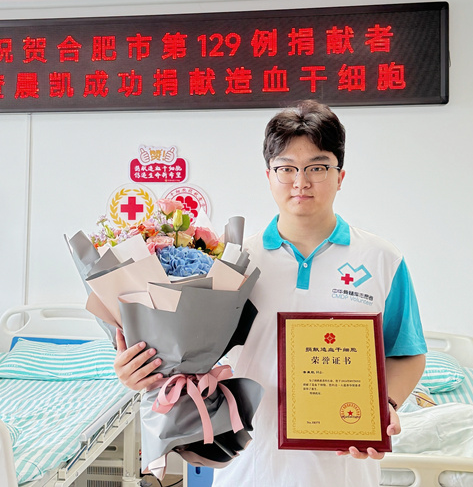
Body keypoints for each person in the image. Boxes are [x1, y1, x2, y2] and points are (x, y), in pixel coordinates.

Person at [114, 99, 427, 486]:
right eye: (286, 168)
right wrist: (145, 372)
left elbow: (406, 352)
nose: (301, 182)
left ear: (340, 176)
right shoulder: (232, 262)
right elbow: (189, 361)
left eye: (317, 167)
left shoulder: (381, 259)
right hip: (250, 468)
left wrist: (386, 405)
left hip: (344, 468)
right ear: (269, 175)